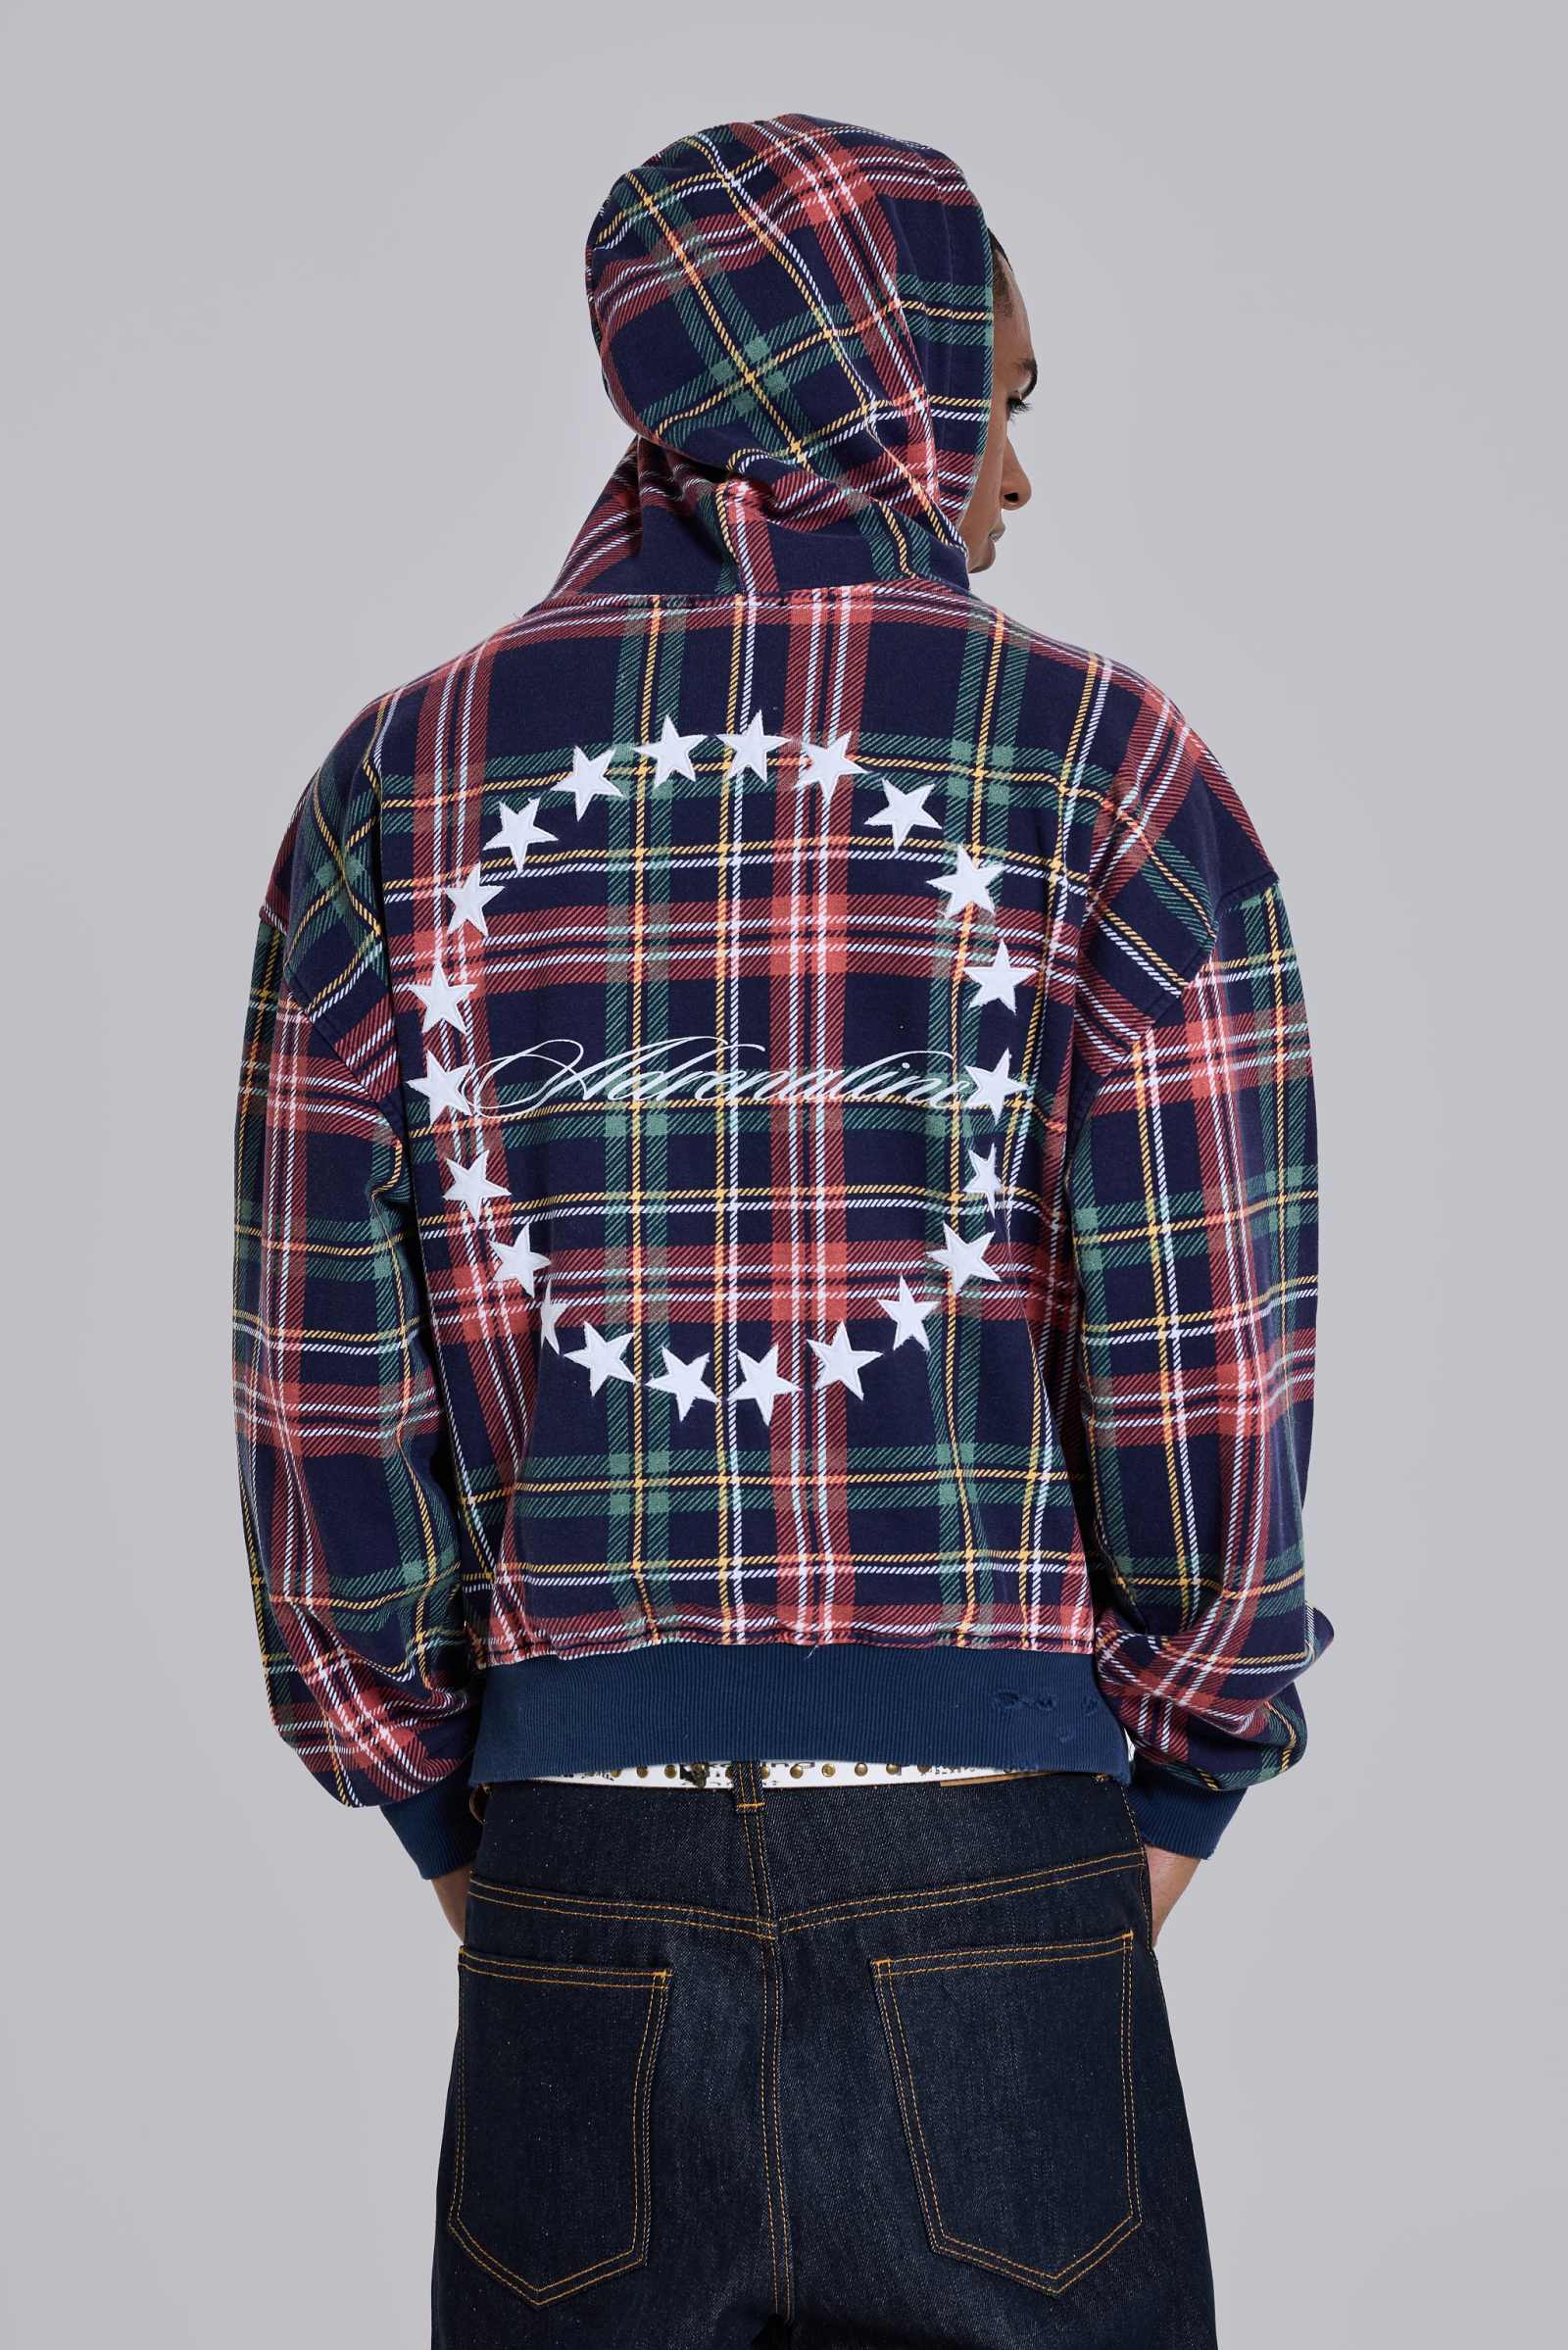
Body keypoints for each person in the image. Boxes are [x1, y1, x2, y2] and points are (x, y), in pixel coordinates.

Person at [232, 110, 1332, 2349]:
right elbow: (1207, 1358)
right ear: (886, 372)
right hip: (993, 1847)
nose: (1010, 477)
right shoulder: (1103, 772)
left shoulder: (394, 790)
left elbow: (321, 1397)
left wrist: (464, 1818)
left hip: (578, 1870)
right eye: (994, 400)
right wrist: (1175, 1767)